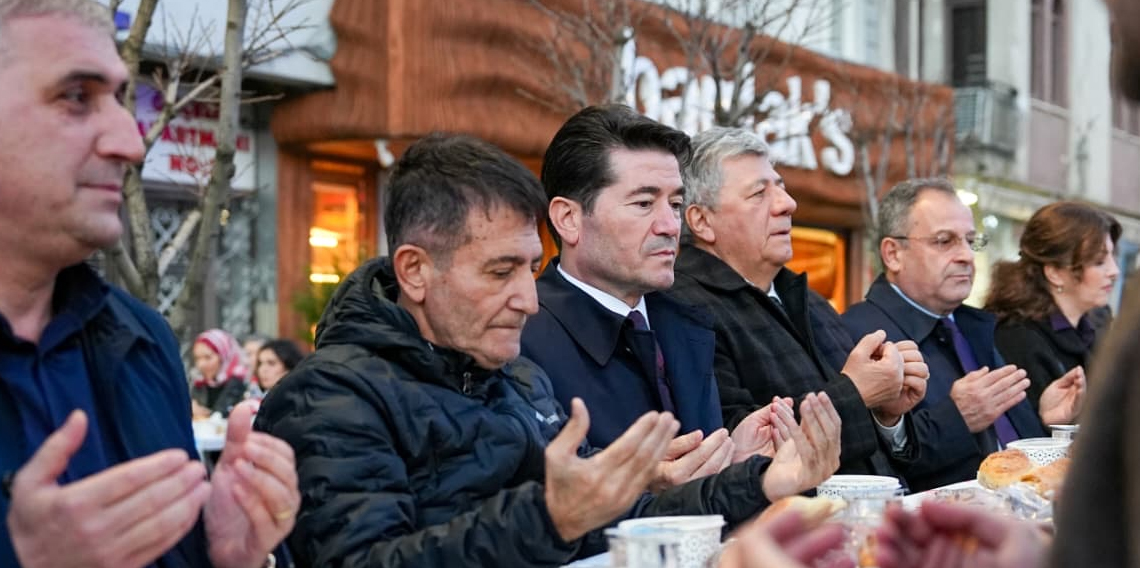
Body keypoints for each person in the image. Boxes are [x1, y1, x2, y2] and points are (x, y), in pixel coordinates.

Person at [254, 132, 843, 567]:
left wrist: (765, 480)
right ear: (415, 271)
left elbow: (619, 522)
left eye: (531, 269)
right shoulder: (330, 397)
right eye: (499, 271)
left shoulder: (517, 379)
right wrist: (552, 516)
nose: (528, 299)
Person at [0, 1, 299, 567]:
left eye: (118, 97)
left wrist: (231, 556)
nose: (130, 142)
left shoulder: (143, 341)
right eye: (75, 97)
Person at [522, 105, 828, 493]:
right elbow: (525, 514)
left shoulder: (688, 324)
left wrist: (732, 459)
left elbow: (696, 491)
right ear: (568, 219)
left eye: (676, 205)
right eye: (644, 204)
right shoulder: (518, 334)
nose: (669, 226)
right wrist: (640, 486)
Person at [667, 126, 925, 479]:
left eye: (781, 186)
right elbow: (744, 455)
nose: (787, 204)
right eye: (759, 193)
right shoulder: (685, 309)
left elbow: (870, 448)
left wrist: (887, 413)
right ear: (701, 221)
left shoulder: (808, 300)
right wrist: (855, 392)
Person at [841, 178, 1084, 492]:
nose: (966, 256)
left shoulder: (975, 325)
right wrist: (957, 418)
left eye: (971, 241)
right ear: (893, 254)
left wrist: (1042, 420)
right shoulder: (859, 334)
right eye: (945, 241)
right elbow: (872, 464)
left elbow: (1007, 451)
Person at [985, 201, 1121, 415]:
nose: (1114, 271)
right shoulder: (1018, 340)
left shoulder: (1098, 322)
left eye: (1113, 257)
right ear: (1055, 273)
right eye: (1099, 261)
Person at [192, 328, 251, 419]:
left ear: (224, 356)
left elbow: (220, 414)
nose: (201, 365)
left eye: (207, 357)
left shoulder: (237, 380)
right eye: (197, 358)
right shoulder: (199, 381)